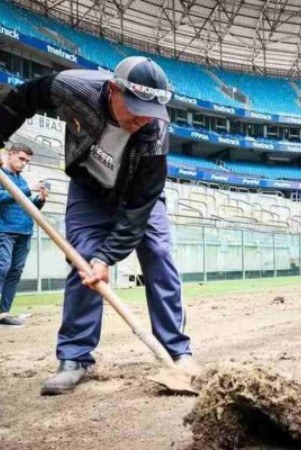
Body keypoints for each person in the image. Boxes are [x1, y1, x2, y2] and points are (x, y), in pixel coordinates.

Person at [0, 56, 201, 395]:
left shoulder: (154, 129)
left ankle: (177, 353)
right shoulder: (72, 88)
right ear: (113, 89)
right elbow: (22, 99)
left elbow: (140, 206)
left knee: (158, 254)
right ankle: (75, 357)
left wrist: (108, 258)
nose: (141, 118)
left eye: (149, 111)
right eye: (134, 106)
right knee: (83, 259)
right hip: (89, 189)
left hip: (137, 195)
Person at [0, 143, 49, 326]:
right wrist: (29, 190)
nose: (23, 164)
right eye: (21, 159)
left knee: (15, 272)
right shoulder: (2, 175)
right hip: (4, 230)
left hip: (24, 232)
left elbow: (28, 207)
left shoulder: (21, 180)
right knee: (2, 268)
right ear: (9, 154)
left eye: (26, 161)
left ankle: (3, 313)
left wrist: (40, 199)